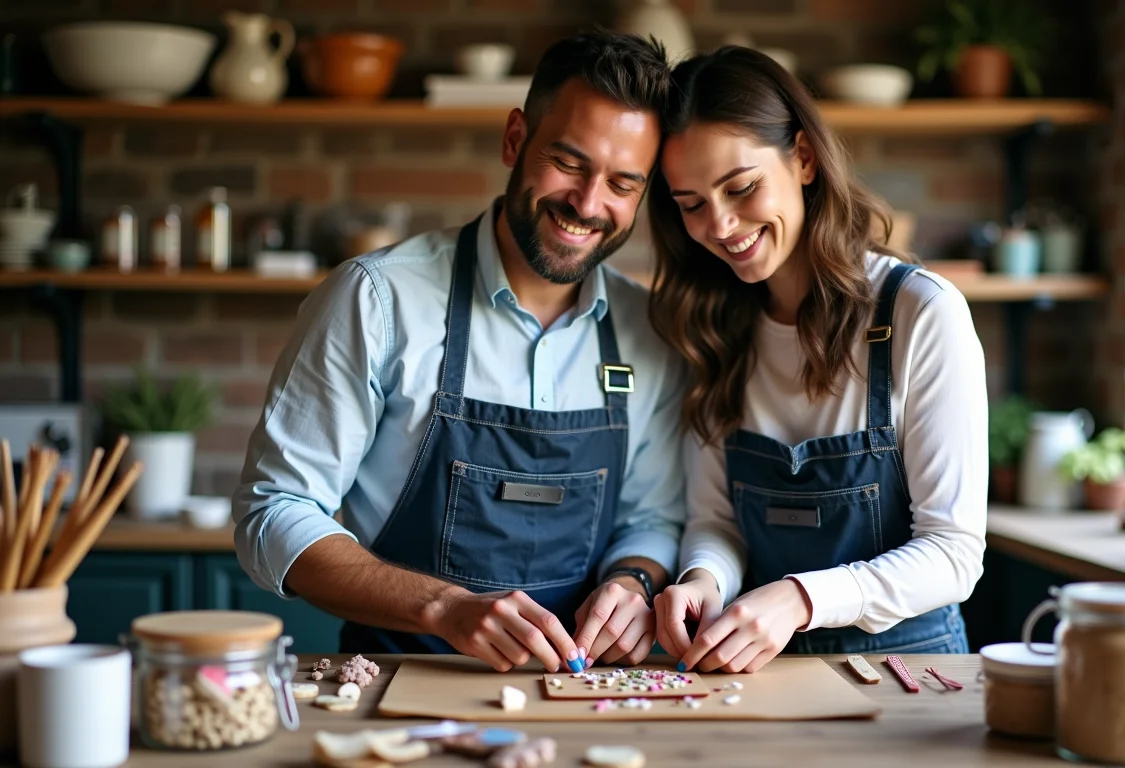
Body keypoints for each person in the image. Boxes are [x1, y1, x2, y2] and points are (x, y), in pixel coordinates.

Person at [232, 31, 687, 673]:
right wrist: (444, 607)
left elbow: (654, 517)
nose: (588, 203)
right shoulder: (378, 300)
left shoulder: (651, 329)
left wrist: (634, 581)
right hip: (396, 685)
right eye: (569, 162)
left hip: (584, 691)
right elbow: (272, 513)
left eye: (623, 183)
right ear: (514, 140)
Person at [647, 46, 988, 674]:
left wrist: (802, 599)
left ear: (803, 158)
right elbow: (717, 521)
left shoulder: (920, 312)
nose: (720, 224)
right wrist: (702, 580)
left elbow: (953, 554)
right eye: (691, 203)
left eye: (741, 187)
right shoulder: (711, 328)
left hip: (909, 672)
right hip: (762, 672)